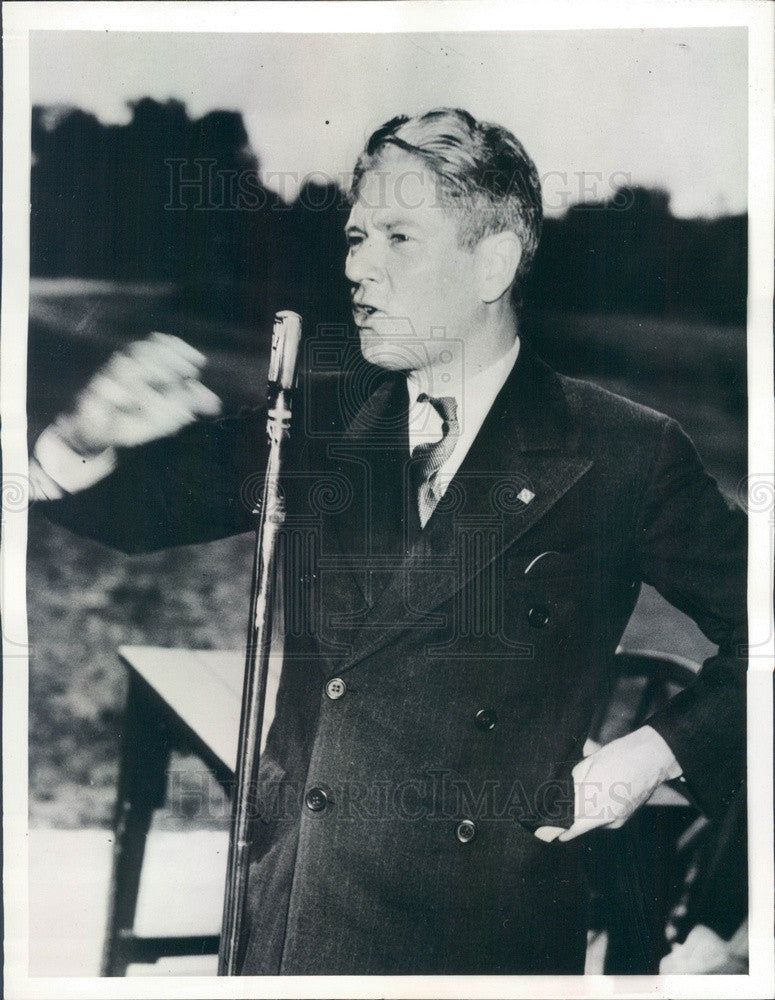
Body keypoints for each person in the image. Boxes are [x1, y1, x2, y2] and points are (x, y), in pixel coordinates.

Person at [30, 108, 746, 975]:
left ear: (493, 261)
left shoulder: (622, 450)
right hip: (293, 916)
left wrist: (649, 755)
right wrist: (85, 436)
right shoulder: (324, 418)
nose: (356, 267)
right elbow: (140, 507)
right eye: (355, 235)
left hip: (483, 940)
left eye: (397, 237)